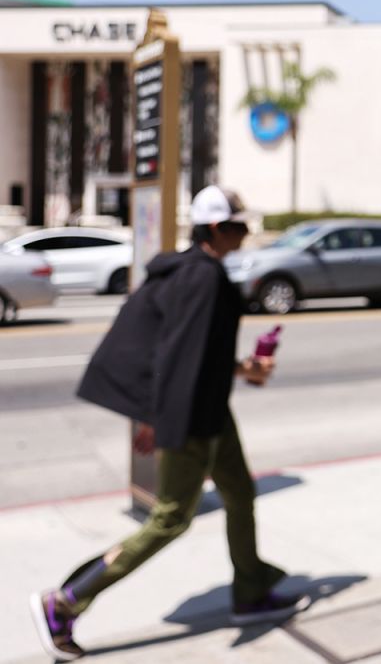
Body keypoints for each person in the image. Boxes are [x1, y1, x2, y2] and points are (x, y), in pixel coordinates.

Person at [30, 186, 308, 661]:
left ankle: (250, 591)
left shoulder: (188, 270)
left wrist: (243, 369)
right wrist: (158, 421)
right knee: (170, 519)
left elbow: (195, 353)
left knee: (240, 493)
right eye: (239, 226)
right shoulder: (202, 278)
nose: (245, 234)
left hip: (210, 408)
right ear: (217, 229)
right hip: (193, 414)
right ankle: (66, 602)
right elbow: (181, 357)